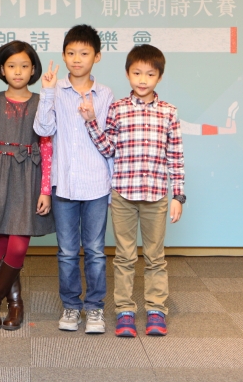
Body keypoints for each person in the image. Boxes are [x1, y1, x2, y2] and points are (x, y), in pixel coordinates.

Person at [78, 43, 185, 338]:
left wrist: (178, 196)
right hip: (123, 194)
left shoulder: (169, 113)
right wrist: (91, 122)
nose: (142, 79)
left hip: (156, 196)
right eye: (137, 73)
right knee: (124, 256)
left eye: (150, 74)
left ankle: (156, 310)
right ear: (128, 74)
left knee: (155, 257)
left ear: (159, 77)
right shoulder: (118, 108)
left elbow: (175, 157)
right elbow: (108, 149)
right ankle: (124, 310)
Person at [33, 25, 113, 334]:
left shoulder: (106, 95)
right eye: (71, 53)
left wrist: (92, 119)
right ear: (64, 55)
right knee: (67, 252)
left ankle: (94, 308)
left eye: (84, 53)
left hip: (96, 184)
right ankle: (70, 306)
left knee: (95, 251)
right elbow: (43, 130)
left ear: (97, 56)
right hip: (64, 184)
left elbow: (109, 143)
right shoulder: (55, 90)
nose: (77, 59)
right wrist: (47, 92)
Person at [0, 41, 55, 331]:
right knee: (3, 245)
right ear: (1, 69)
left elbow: (47, 147)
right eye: (11, 66)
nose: (18, 71)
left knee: (18, 246)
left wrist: (45, 189)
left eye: (24, 66)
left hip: (29, 174)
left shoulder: (43, 101)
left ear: (33, 69)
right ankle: (15, 303)